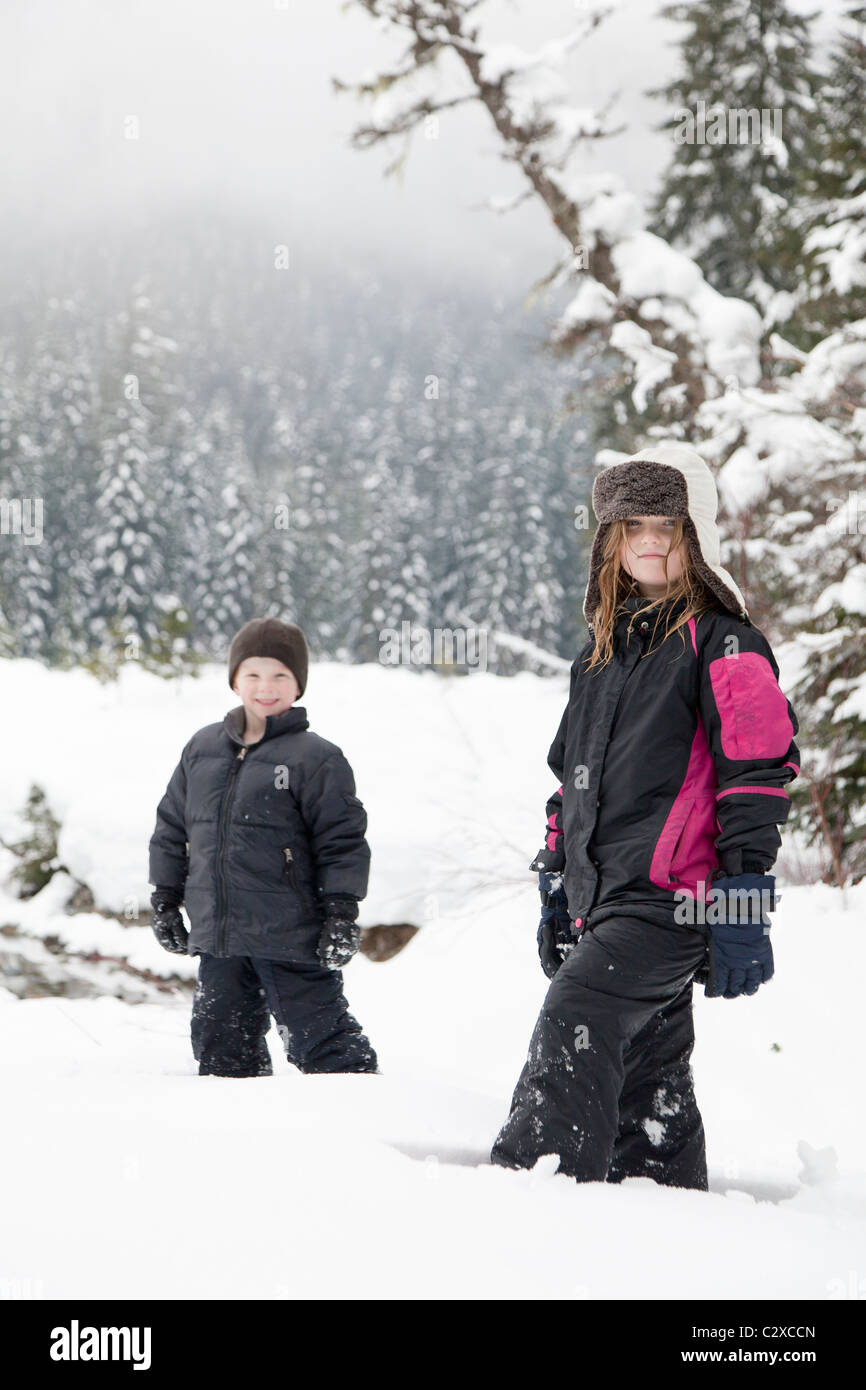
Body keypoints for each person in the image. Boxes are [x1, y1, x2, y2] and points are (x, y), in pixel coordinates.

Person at [490, 442, 800, 1189]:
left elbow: (756, 774)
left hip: (673, 900)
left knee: (578, 1010)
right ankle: (662, 1210)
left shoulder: (725, 644)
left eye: (666, 523)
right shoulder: (599, 657)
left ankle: (532, 1195)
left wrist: (744, 899)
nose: (651, 540)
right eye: (633, 527)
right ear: (612, 543)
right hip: (610, 899)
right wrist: (558, 884)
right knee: (647, 1078)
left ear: (693, 535)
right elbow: (572, 784)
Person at [148, 617, 378, 1076]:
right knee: (219, 1045)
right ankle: (240, 1133)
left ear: (298, 685)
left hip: (290, 936)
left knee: (324, 1042)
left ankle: (365, 1128)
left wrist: (341, 913)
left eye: (280, 676)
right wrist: (165, 899)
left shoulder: (316, 758)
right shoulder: (202, 748)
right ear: (235, 681)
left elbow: (342, 841)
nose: (265, 687)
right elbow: (173, 828)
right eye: (252, 674)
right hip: (220, 937)